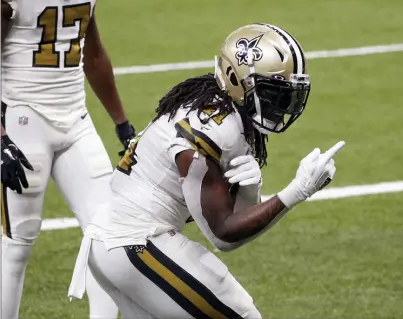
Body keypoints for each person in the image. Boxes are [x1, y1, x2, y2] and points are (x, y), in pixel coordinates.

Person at [69, 23, 345, 318]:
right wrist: (297, 191)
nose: (281, 105)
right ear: (235, 78)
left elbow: (237, 219)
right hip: (135, 243)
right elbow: (224, 234)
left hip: (114, 243)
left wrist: (250, 189)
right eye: (273, 93)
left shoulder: (218, 107)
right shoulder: (214, 129)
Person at [1, 0, 135, 319]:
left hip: (75, 119)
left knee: (108, 234)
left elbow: (93, 53)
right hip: (22, 119)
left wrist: (123, 125)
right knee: (16, 245)